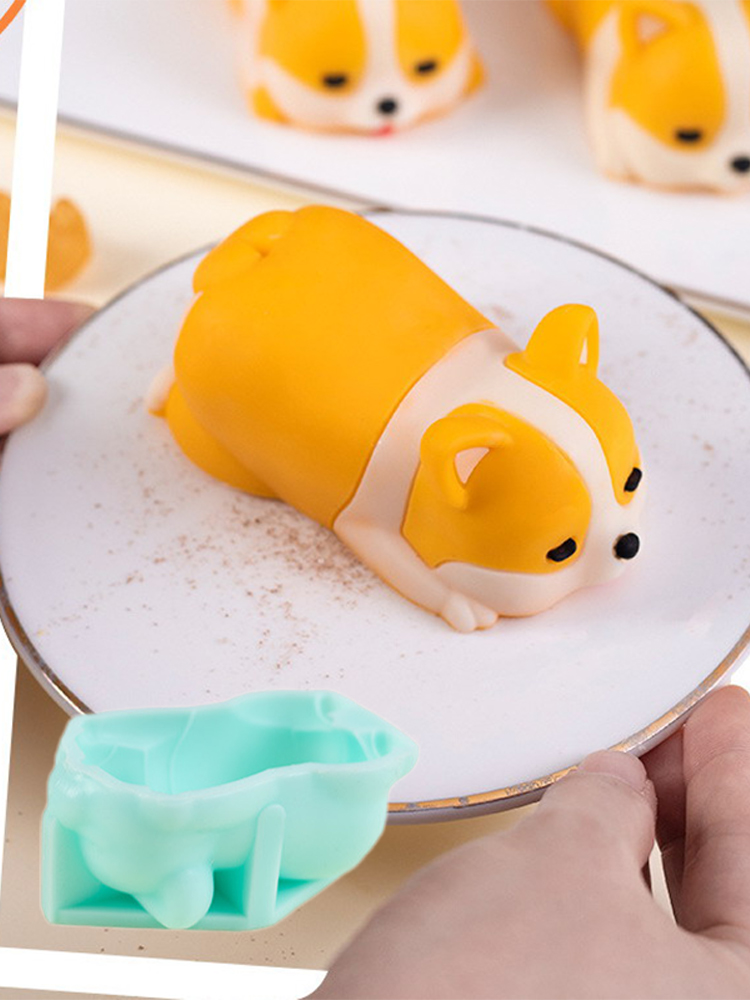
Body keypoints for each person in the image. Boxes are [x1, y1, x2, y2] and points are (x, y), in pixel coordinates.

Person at [4, 299, 749, 1000]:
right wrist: (440, 591)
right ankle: (191, 388)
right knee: (226, 447)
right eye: (561, 548)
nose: (624, 541)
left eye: (628, 483)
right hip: (237, 351)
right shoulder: (431, 474)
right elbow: (366, 524)